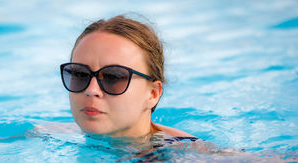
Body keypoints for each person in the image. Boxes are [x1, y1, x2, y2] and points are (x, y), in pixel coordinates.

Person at [59, 15, 197, 141]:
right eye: (80, 74)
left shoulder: (194, 160)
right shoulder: (49, 135)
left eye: (113, 77)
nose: (91, 90)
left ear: (153, 94)